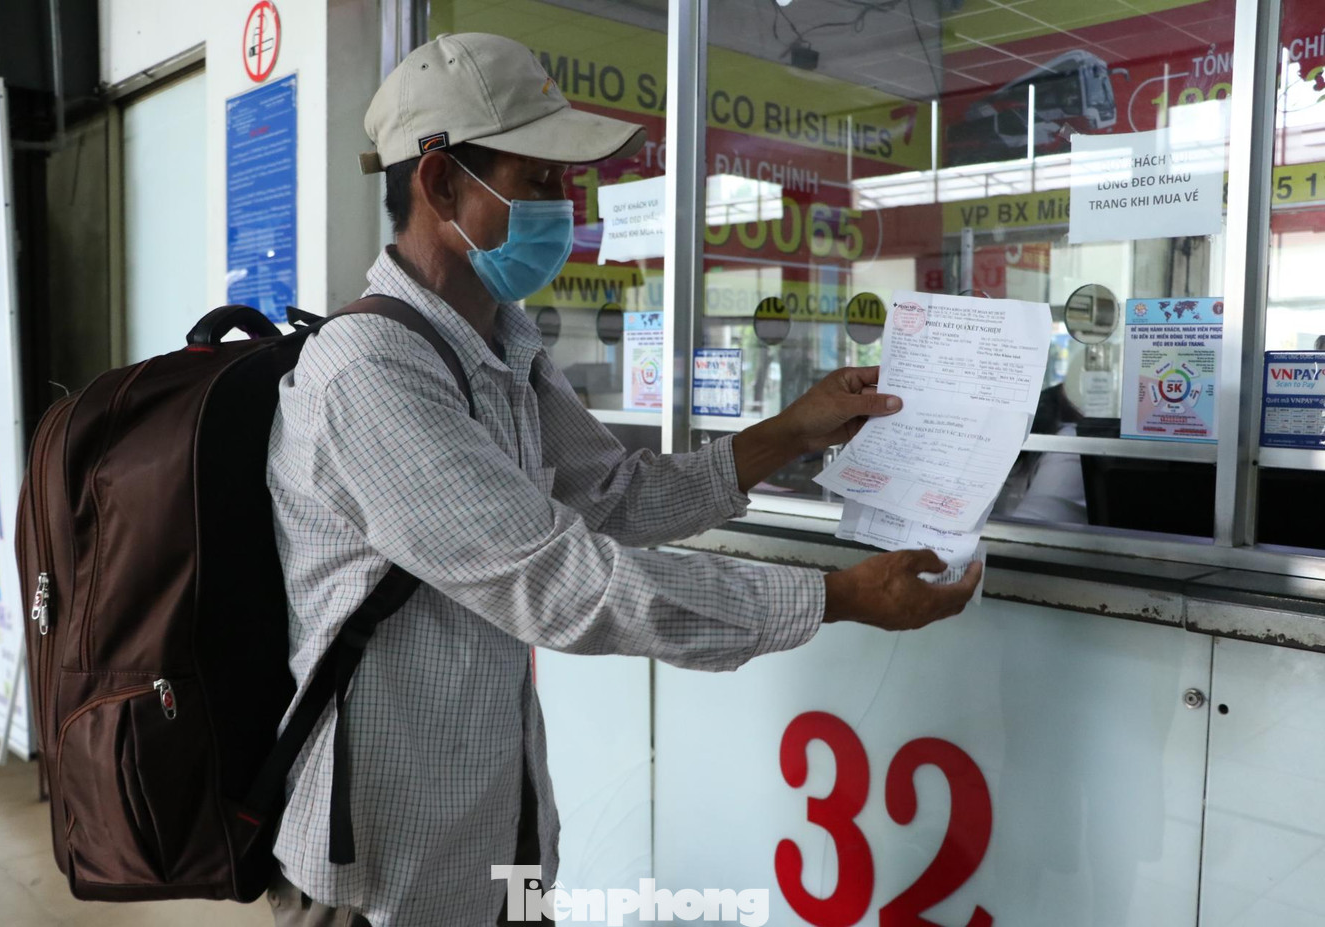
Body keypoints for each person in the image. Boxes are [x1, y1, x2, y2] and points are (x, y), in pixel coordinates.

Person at [264, 32, 981, 927]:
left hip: (499, 839)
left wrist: (792, 430)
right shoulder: (370, 375)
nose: (563, 210)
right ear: (442, 183)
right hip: (383, 874)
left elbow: (615, 495)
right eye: (538, 183)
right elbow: (562, 583)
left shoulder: (500, 342)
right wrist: (831, 597)